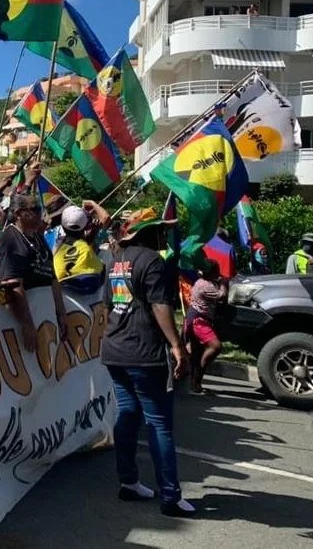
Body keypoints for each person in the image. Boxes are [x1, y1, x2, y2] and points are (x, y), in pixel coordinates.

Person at [100, 208, 194, 518]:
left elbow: (108, 303)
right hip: (145, 353)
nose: (164, 235)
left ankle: (129, 482)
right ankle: (170, 495)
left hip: (115, 350)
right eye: (161, 230)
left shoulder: (114, 259)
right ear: (147, 233)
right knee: (159, 423)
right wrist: (177, 345)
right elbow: (159, 305)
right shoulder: (152, 260)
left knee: (127, 415)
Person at [0, 193, 68, 353]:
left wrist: (61, 313)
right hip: (23, 324)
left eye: (40, 209)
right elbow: (11, 286)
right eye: (35, 209)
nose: (41, 214)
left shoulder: (37, 238)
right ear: (18, 213)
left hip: (46, 319)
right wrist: (27, 324)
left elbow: (53, 278)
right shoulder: (9, 241)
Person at [184, 260, 227, 394]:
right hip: (199, 321)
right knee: (215, 346)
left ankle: (195, 385)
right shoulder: (205, 286)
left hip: (198, 319)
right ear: (211, 272)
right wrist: (223, 283)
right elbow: (222, 295)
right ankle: (197, 377)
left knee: (196, 353)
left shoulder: (203, 282)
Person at [53, 204, 110, 292]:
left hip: (64, 295)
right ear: (86, 226)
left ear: (63, 226)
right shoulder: (87, 247)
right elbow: (106, 218)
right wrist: (92, 203)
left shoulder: (56, 245)